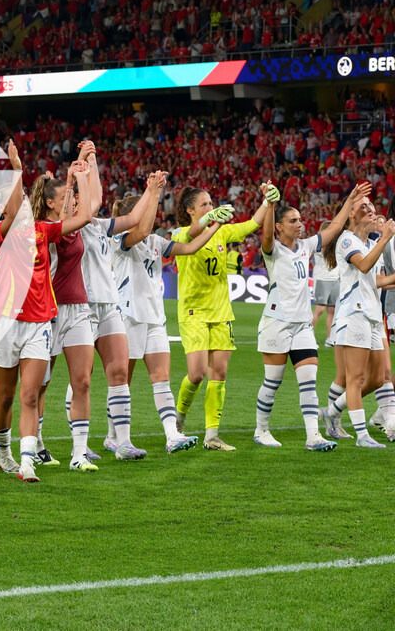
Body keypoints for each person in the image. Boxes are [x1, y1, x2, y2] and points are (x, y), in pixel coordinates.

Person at [0, 142, 91, 481]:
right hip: (6, 324)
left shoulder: (42, 231)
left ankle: (28, 461)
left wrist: (78, 180)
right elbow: (18, 207)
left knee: (29, 395)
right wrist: (16, 165)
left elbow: (84, 216)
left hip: (39, 323)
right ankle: (4, 451)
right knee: (5, 397)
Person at [253, 184, 369, 451]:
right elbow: (267, 233)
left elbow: (334, 227)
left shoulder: (306, 246)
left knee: (308, 381)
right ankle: (261, 430)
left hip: (302, 325)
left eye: (300, 220)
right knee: (273, 381)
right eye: (293, 221)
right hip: (276, 324)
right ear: (280, 227)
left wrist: (350, 198)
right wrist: (269, 204)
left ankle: (313, 436)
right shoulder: (272, 250)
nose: (299, 224)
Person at [69, 141, 165, 462]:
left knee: (119, 372)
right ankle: (76, 445)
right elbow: (87, 198)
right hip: (78, 308)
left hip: (109, 306)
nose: (92, 203)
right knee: (80, 379)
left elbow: (136, 217)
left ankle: (121, 443)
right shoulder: (68, 226)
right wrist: (83, 164)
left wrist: (151, 190)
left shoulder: (100, 226)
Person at [112, 172, 215, 454]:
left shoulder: (156, 242)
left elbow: (191, 246)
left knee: (161, 378)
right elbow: (142, 230)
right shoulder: (119, 240)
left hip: (155, 318)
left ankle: (172, 436)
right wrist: (155, 191)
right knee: (123, 380)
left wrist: (215, 225)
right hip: (128, 317)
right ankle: (117, 438)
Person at [172, 183, 278, 450]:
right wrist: (210, 220)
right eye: (205, 205)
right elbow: (192, 233)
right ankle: (179, 418)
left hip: (221, 312)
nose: (211, 207)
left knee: (218, 373)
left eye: (211, 203)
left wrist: (267, 201)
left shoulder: (222, 232)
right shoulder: (180, 233)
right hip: (193, 313)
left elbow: (252, 224)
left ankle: (212, 435)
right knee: (196, 374)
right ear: (190, 211)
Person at [319, 195, 395, 448]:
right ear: (351, 214)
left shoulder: (366, 243)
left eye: (372, 206)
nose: (371, 209)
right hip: (354, 314)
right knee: (355, 378)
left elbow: (375, 281)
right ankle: (362, 436)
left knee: (377, 378)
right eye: (364, 206)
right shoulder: (347, 240)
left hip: (372, 314)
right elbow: (363, 267)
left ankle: (331, 411)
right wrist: (384, 238)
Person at [36, 157, 95, 471]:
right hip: (49, 311)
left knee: (82, 381)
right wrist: (73, 179)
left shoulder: (73, 222)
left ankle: (79, 454)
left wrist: (78, 176)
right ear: (50, 203)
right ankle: (38, 444)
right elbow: (82, 213)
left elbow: (89, 206)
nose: (72, 201)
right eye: (65, 198)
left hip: (78, 308)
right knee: (40, 385)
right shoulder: (48, 229)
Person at [312, 220, 340, 346]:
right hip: (322, 279)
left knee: (332, 311)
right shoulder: (319, 243)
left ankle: (330, 338)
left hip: (336, 279)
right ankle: (308, 338)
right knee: (319, 310)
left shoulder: (337, 243)